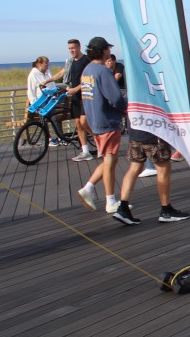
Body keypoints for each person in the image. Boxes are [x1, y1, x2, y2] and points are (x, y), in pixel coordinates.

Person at [77, 37, 128, 214]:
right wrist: (125, 108)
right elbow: (115, 98)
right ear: (104, 50)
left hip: (95, 121)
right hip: (107, 121)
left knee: (108, 159)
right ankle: (110, 201)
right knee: (110, 161)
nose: (110, 52)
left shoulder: (87, 70)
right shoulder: (103, 71)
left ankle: (89, 188)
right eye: (108, 49)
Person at [112, 129, 190, 225]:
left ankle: (123, 208)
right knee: (163, 170)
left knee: (134, 169)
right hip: (154, 134)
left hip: (135, 134)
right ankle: (166, 210)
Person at [64, 39, 93, 161]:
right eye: (69, 48)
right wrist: (48, 81)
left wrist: (76, 89)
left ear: (79, 47)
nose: (71, 50)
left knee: (83, 121)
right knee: (78, 123)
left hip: (86, 96)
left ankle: (100, 139)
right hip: (75, 97)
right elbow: (64, 73)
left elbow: (90, 78)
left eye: (73, 48)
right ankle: (85, 151)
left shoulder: (86, 60)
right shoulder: (71, 62)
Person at [26, 56, 66, 146]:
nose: (48, 65)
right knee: (51, 117)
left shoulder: (47, 72)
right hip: (41, 101)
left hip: (51, 100)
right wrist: (35, 104)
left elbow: (52, 85)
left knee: (54, 117)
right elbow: (31, 91)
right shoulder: (33, 75)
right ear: (40, 64)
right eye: (46, 63)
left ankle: (59, 137)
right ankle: (52, 138)